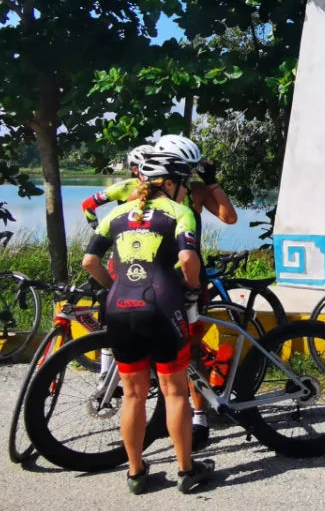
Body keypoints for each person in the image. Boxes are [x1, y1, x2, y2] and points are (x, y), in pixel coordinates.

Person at [81, 151, 214, 495]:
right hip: (162, 307)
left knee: (133, 395)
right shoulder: (179, 212)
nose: (185, 190)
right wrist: (192, 288)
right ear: (169, 184)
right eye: (183, 184)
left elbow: (89, 261)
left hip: (119, 308)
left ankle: (136, 473)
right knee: (175, 392)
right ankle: (186, 470)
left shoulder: (117, 213)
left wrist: (113, 287)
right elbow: (187, 257)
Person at [151, 133, 238, 448]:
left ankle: (199, 414)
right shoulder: (145, 194)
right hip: (153, 277)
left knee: (192, 347)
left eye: (190, 171)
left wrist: (212, 183)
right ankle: (166, 406)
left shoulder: (196, 193)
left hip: (188, 278)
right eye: (183, 171)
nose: (186, 177)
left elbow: (229, 218)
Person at [81, 144, 153, 226]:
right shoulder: (124, 187)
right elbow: (87, 205)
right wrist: (97, 230)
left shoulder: (164, 185)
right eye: (147, 167)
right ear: (135, 170)